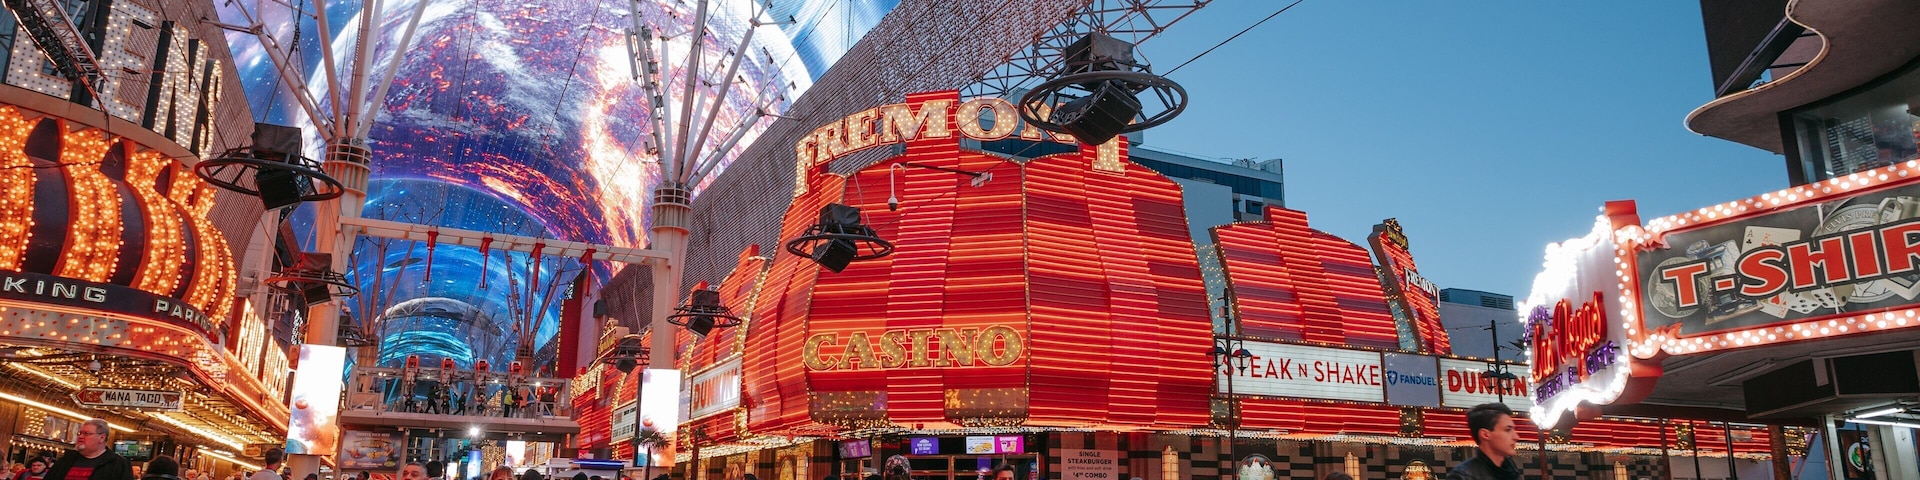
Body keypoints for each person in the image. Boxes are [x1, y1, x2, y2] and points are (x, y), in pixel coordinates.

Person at [1444, 403, 1522, 480]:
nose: (1516, 437)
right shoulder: (1463, 476)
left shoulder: (1512, 472)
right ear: (1485, 434)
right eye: (1507, 430)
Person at [43, 419, 133, 480]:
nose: (81, 437)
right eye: (80, 433)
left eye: (86, 434)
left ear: (102, 438)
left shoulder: (118, 464)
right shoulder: (66, 460)